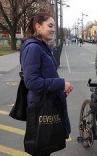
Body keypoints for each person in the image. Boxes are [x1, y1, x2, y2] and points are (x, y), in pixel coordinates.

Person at [20, 12, 73, 156]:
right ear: (38, 26)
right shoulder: (33, 48)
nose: (53, 29)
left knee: (45, 147)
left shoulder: (41, 46)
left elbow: (45, 75)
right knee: (41, 148)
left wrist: (60, 89)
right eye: (50, 26)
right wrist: (60, 83)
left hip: (46, 102)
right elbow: (31, 81)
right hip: (40, 107)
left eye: (54, 26)